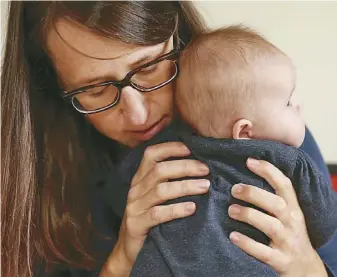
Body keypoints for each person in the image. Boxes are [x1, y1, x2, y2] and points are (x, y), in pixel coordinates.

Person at [1, 2, 336, 277]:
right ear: (53, 87)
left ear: (178, 37)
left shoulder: (270, 127)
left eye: (149, 67)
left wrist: (306, 266)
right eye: (95, 89)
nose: (138, 115)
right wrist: (120, 260)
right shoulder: (28, 184)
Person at [106, 26, 337, 277]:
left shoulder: (162, 150)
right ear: (244, 131)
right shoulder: (290, 161)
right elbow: (324, 224)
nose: (298, 105)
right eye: (288, 102)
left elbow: (121, 195)